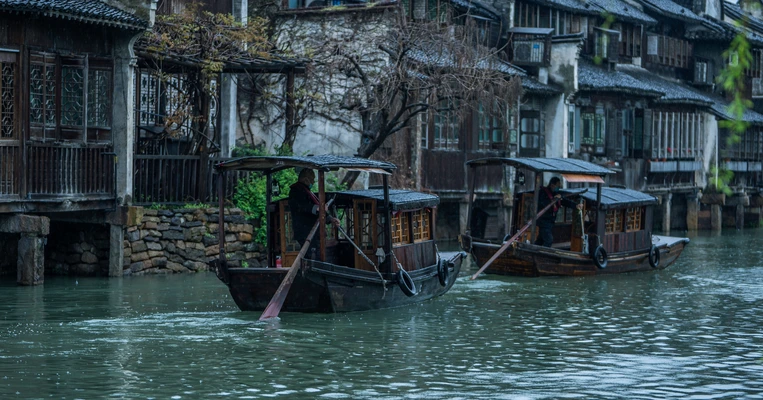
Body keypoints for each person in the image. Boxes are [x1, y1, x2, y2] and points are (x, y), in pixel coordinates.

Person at [288, 168, 339, 253]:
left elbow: (319, 210)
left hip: (314, 232)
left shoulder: (307, 191)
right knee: (310, 255)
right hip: (305, 231)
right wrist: (317, 208)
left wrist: (330, 219)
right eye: (312, 179)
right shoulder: (295, 191)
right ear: (305, 179)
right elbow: (302, 206)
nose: (313, 181)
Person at [535, 177, 583, 247]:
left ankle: (532, 251)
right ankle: (542, 256)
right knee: (548, 240)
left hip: (550, 222)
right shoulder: (543, 193)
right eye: (557, 186)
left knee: (540, 240)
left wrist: (575, 206)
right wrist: (553, 200)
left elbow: (565, 202)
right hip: (543, 221)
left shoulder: (556, 193)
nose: (558, 187)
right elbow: (543, 204)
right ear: (552, 185)